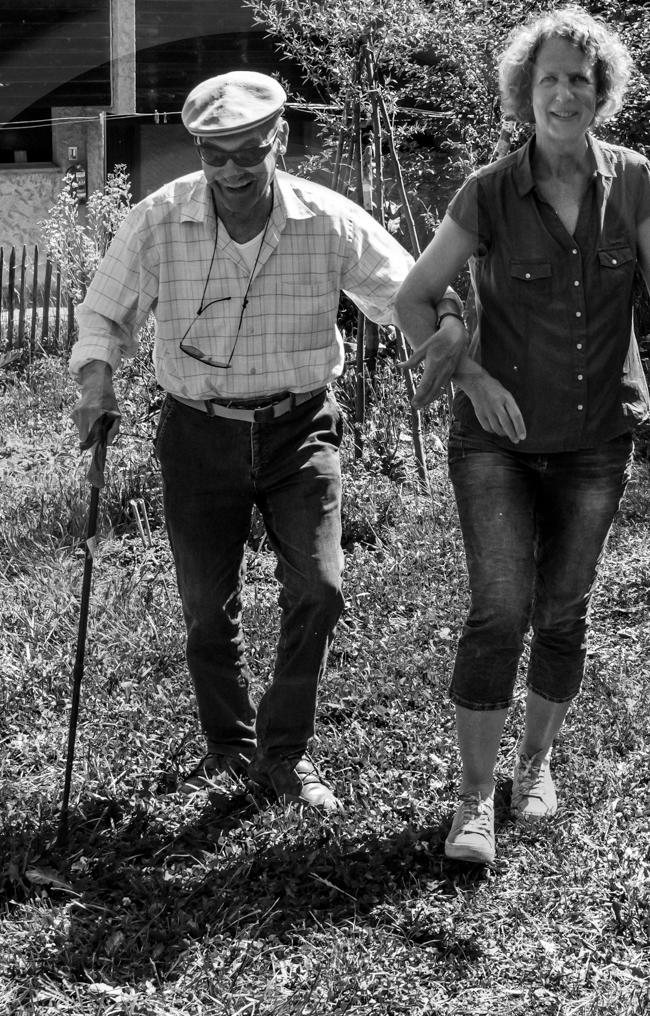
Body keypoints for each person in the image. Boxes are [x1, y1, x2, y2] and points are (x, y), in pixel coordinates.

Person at [70, 71, 466, 810]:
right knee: (204, 608)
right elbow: (103, 317)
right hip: (197, 433)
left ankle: (284, 752)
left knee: (321, 588)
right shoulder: (159, 221)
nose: (230, 171)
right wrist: (97, 384)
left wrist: (445, 318)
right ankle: (228, 744)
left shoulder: (325, 219)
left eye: (247, 152)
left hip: (300, 427)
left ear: (277, 140)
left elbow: (402, 288)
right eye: (214, 154)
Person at [395, 9, 650, 863]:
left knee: (564, 608)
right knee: (499, 610)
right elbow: (414, 294)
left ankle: (535, 765)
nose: (564, 93)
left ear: (601, 91)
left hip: (594, 436)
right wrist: (467, 372)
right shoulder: (489, 191)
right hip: (497, 440)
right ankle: (474, 799)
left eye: (580, 78)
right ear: (524, 93)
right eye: (548, 78)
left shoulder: (635, 180)